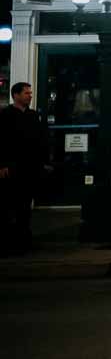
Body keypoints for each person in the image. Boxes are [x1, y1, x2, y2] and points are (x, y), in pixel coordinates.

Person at [0, 82, 49, 255]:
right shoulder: (5, 115)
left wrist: (43, 161)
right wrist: (3, 164)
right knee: (10, 203)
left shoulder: (33, 115)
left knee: (25, 204)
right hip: (13, 166)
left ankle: (23, 237)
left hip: (30, 166)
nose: (30, 95)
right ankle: (9, 239)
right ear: (16, 95)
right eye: (26, 93)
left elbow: (40, 138)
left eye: (30, 93)